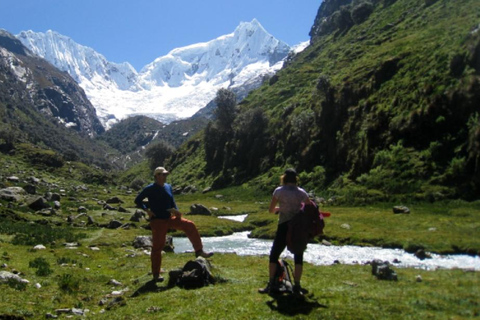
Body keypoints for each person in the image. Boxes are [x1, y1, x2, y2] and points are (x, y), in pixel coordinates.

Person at [134, 166, 213, 283]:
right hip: (158, 221)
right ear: (157, 176)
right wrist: (147, 210)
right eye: (163, 175)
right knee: (158, 247)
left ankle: (199, 251)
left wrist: (176, 211)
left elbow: (172, 202)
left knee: (189, 225)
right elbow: (138, 200)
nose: (165, 176)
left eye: (166, 174)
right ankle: (156, 274)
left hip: (170, 218)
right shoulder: (150, 188)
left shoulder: (168, 187)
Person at [259, 168, 311, 295]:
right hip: (297, 227)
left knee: (274, 254)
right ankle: (297, 286)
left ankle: (271, 284)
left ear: (284, 178)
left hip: (283, 225)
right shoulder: (301, 193)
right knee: (298, 256)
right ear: (295, 179)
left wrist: (280, 208)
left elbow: (271, 210)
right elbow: (309, 207)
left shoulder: (279, 191)